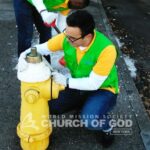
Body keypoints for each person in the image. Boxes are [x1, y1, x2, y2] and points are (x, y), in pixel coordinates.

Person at [18, 10, 119, 148]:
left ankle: (107, 127)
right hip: (78, 84)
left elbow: (93, 83)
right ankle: (83, 104)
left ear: (88, 36)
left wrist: (65, 81)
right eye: (66, 33)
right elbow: (42, 49)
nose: (67, 39)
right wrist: (25, 54)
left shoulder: (106, 49)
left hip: (103, 89)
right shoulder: (68, 37)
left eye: (72, 38)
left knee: (90, 120)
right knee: (51, 106)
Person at [13, 0, 89, 56]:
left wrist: (66, 39)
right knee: (27, 33)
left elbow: (61, 24)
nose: (78, 5)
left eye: (80, 6)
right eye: (78, 3)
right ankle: (23, 61)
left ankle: (45, 64)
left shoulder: (69, 5)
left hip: (43, 5)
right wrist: (43, 12)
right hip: (24, 2)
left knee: (46, 35)